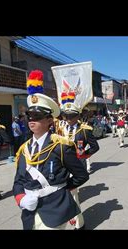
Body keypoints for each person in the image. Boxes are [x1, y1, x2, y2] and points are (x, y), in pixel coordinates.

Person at [13, 70, 89, 230]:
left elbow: (81, 175)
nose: (32, 120)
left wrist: (59, 189)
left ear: (49, 120)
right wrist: (20, 198)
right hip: (30, 211)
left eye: (37, 116)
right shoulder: (23, 149)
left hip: (55, 209)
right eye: (29, 116)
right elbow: (18, 180)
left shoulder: (61, 146)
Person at [61, 101, 100, 230]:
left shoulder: (84, 130)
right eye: (66, 116)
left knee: (72, 194)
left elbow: (95, 147)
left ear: (78, 116)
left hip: (75, 166)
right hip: (61, 166)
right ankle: (73, 218)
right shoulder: (60, 128)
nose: (68, 119)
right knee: (66, 194)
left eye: (71, 116)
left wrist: (83, 155)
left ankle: (79, 223)